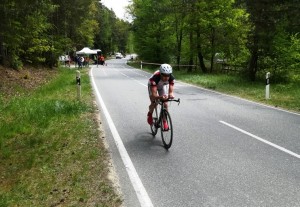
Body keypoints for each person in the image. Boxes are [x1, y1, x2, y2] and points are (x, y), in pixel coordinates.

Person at [147, 64, 175, 130]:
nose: (166, 77)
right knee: (154, 103)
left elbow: (170, 91)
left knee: (165, 104)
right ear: (160, 74)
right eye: (164, 75)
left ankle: (164, 121)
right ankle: (150, 114)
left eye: (168, 75)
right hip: (153, 86)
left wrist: (170, 95)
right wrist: (160, 97)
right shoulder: (154, 79)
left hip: (161, 86)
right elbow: (154, 95)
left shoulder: (171, 78)